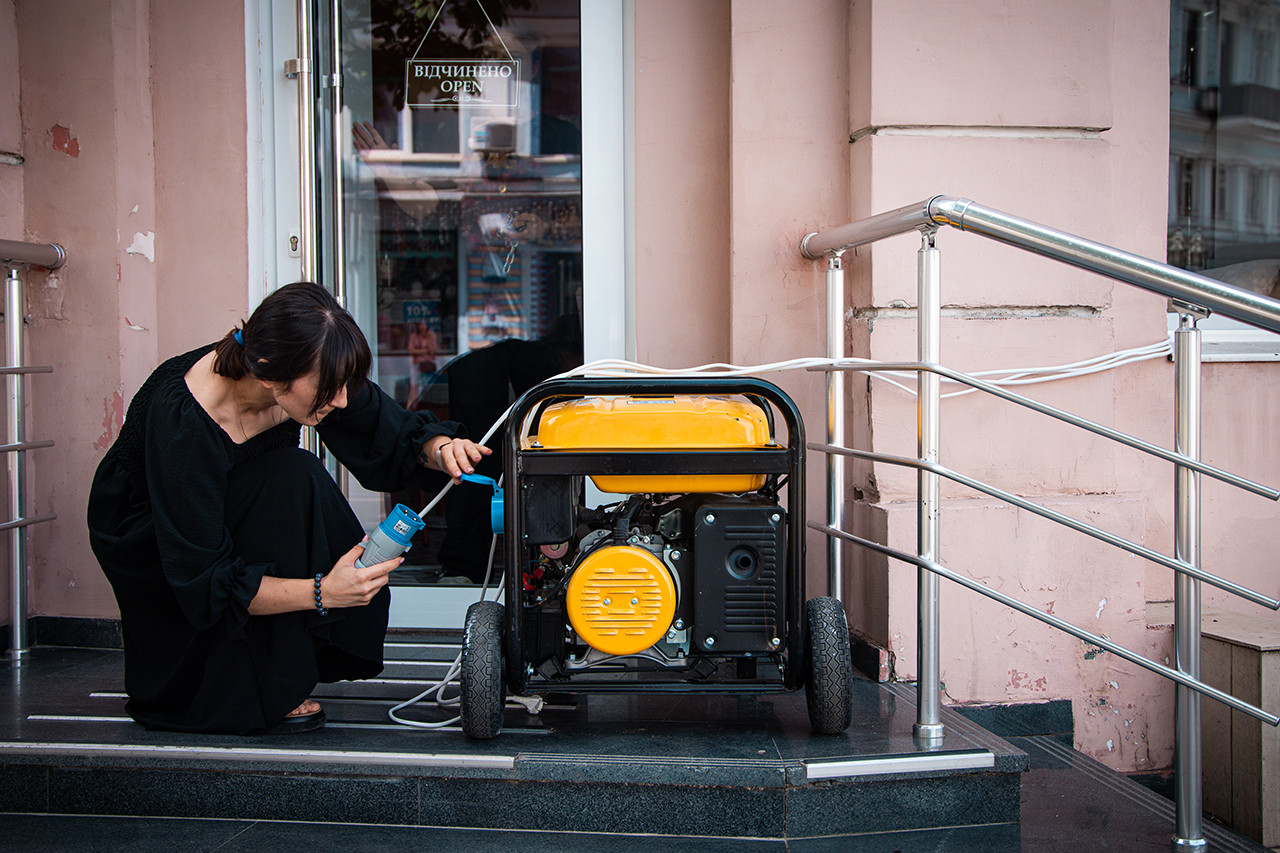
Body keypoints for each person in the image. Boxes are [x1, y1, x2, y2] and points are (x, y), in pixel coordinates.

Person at [86, 282, 490, 734]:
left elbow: (386, 430)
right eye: (329, 390)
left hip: (228, 500)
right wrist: (324, 592)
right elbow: (202, 578)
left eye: (344, 386)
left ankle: (279, 671)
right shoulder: (186, 420)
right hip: (150, 528)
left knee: (292, 476)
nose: (340, 401)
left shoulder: (308, 373)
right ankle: (214, 690)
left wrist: (440, 448)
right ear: (267, 374)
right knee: (287, 480)